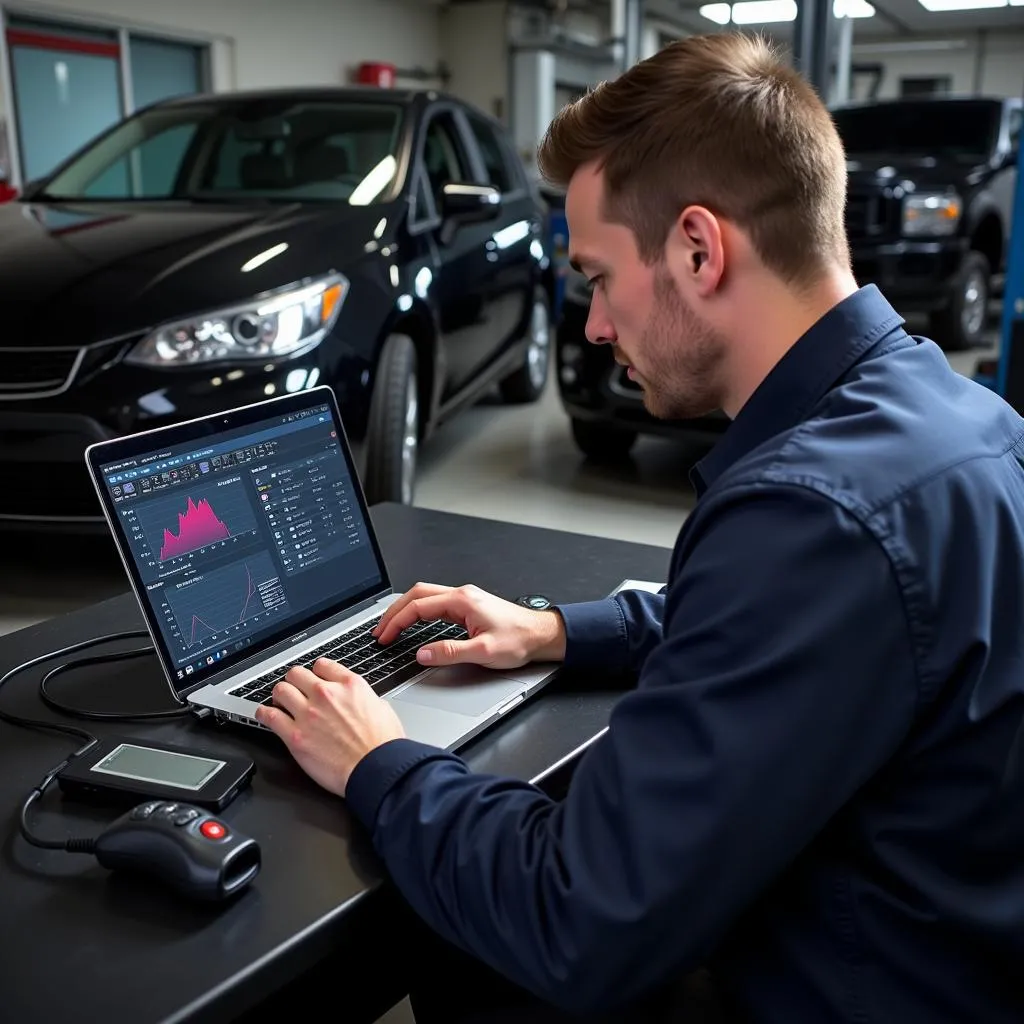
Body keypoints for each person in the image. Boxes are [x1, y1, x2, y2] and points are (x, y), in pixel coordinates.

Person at [255, 33, 1024, 1024]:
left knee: (469, 936)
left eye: (597, 278)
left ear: (699, 249)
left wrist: (378, 761)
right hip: (958, 948)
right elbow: (835, 628)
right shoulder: (955, 414)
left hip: (852, 983)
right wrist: (560, 631)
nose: (593, 327)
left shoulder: (808, 514)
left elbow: (577, 917)